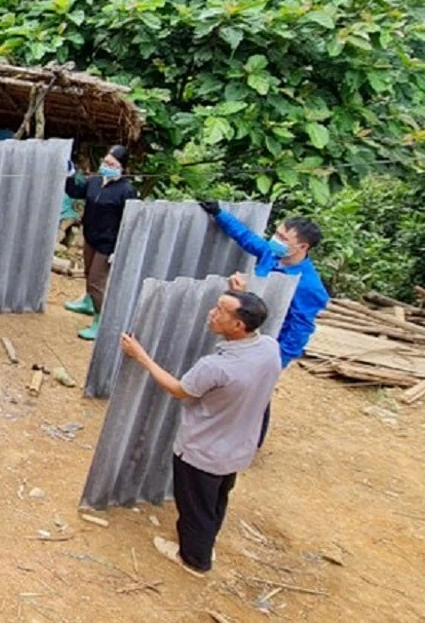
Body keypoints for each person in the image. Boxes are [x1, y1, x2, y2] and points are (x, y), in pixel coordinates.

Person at [119, 290, 280, 577]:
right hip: (236, 448)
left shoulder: (215, 367)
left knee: (195, 507)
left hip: (203, 451)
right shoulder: (268, 347)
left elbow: (178, 390)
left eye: (220, 311)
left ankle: (194, 559)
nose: (211, 313)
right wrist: (241, 290)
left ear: (238, 325)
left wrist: (141, 356)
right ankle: (205, 541)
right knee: (215, 500)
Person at [197, 202, 329, 368]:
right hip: (246, 331)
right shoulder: (272, 254)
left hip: (266, 342)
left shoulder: (309, 285)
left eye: (283, 238)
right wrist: (219, 214)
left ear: (302, 247)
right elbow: (246, 237)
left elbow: (299, 329)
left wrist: (276, 363)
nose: (276, 240)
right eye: (277, 234)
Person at [67, 145, 141, 340]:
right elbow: (75, 191)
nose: (107, 166)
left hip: (108, 244)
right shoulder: (95, 181)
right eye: (105, 162)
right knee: (88, 271)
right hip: (91, 235)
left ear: (122, 168)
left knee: (96, 281)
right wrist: (70, 175)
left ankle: (100, 321)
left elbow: (131, 221)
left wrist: (120, 248)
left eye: (112, 164)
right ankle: (88, 303)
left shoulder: (126, 190)